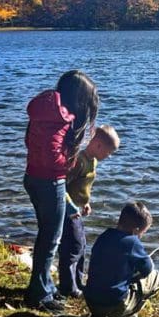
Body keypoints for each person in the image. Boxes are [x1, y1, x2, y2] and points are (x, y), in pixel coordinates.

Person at [23, 70, 98, 312]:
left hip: (33, 177)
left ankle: (45, 286)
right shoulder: (61, 119)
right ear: (79, 99)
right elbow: (54, 156)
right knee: (50, 240)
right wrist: (69, 164)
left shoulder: (45, 112)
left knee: (47, 235)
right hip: (49, 182)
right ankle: (39, 295)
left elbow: (30, 141)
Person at [58, 125, 121, 298]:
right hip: (66, 209)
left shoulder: (93, 161)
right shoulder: (78, 160)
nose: (108, 157)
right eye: (108, 153)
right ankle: (67, 287)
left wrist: (86, 202)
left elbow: (84, 185)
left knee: (82, 245)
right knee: (73, 246)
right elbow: (61, 186)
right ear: (98, 145)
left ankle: (78, 282)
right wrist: (71, 207)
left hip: (77, 209)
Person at [84, 201, 159, 317]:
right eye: (142, 233)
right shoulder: (132, 242)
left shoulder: (104, 236)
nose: (141, 236)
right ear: (136, 230)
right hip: (115, 306)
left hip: (92, 302)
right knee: (155, 278)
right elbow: (147, 269)